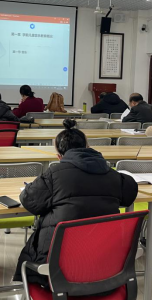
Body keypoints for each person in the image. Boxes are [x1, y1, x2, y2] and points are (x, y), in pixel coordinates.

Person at [13, 119, 138, 287]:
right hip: (105, 264)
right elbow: (130, 193)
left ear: (59, 156)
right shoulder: (110, 173)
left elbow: (29, 201)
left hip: (58, 269)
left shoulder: (54, 174)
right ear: (87, 147)